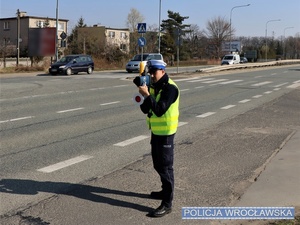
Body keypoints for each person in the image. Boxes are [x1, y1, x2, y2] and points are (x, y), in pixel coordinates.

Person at [135, 60, 180, 218]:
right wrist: (143, 93)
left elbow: (160, 110)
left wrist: (147, 95)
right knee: (157, 164)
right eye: (150, 71)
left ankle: (167, 204)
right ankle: (164, 191)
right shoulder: (155, 86)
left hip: (166, 133)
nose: (152, 75)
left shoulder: (170, 88)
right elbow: (145, 109)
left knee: (166, 168)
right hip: (156, 132)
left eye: (155, 71)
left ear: (163, 70)